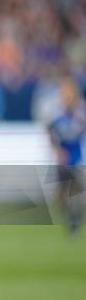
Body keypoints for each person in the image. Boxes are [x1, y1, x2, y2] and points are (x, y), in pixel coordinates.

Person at [48, 77, 85, 236]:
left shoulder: (81, 113)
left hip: (77, 160)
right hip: (63, 161)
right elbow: (50, 131)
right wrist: (57, 150)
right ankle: (72, 217)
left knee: (76, 193)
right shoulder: (58, 114)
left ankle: (75, 220)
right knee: (60, 196)